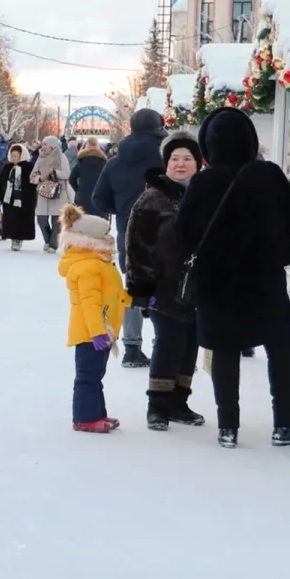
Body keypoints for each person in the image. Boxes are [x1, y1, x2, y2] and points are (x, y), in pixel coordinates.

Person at [175, 107, 290, 450]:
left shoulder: (203, 182)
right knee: (279, 349)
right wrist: (279, 256)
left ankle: (228, 427)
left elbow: (183, 232)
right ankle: (285, 424)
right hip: (265, 280)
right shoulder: (270, 176)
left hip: (217, 283)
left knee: (225, 350)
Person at [124, 134, 207, 430]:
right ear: (166, 163)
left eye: (187, 159)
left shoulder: (205, 196)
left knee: (190, 346)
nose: (181, 164)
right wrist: (141, 288)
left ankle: (179, 403)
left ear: (198, 163)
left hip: (198, 287)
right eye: (175, 159)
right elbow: (136, 245)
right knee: (169, 343)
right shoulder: (153, 197)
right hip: (163, 286)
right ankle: (157, 406)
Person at [91, 109, 167, 368]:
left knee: (133, 286)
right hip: (165, 231)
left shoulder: (114, 161)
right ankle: (165, 346)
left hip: (128, 233)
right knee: (166, 287)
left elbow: (98, 199)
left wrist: (123, 209)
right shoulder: (167, 158)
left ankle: (132, 348)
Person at [58, 206, 130, 433]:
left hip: (100, 331)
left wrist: (137, 300)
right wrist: (97, 332)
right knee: (88, 377)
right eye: (105, 235)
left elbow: (114, 295)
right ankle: (85, 418)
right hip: (91, 333)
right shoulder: (88, 266)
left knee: (96, 376)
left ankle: (97, 413)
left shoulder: (101, 262)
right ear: (88, 240)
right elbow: (89, 302)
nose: (110, 238)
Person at [33, 135, 72, 253]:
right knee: (41, 219)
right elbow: (32, 176)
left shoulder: (61, 157)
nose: (43, 146)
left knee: (56, 221)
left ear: (52, 145)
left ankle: (53, 245)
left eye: (45, 144)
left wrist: (54, 172)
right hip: (43, 192)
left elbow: (66, 174)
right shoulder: (40, 157)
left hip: (58, 193)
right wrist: (40, 177)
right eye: (42, 144)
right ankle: (48, 240)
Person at [0, 143, 38, 251]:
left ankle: (18, 239)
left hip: (24, 200)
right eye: (12, 155)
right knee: (10, 219)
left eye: (16, 156)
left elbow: (33, 184)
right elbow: (1, 183)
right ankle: (13, 238)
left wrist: (31, 198)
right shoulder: (7, 167)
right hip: (9, 199)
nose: (13, 158)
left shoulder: (29, 167)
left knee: (21, 220)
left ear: (22, 155)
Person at [68, 136, 108, 213]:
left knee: (83, 221)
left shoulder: (81, 162)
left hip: (83, 197)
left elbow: (72, 179)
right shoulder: (104, 162)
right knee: (100, 222)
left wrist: (78, 189)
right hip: (100, 197)